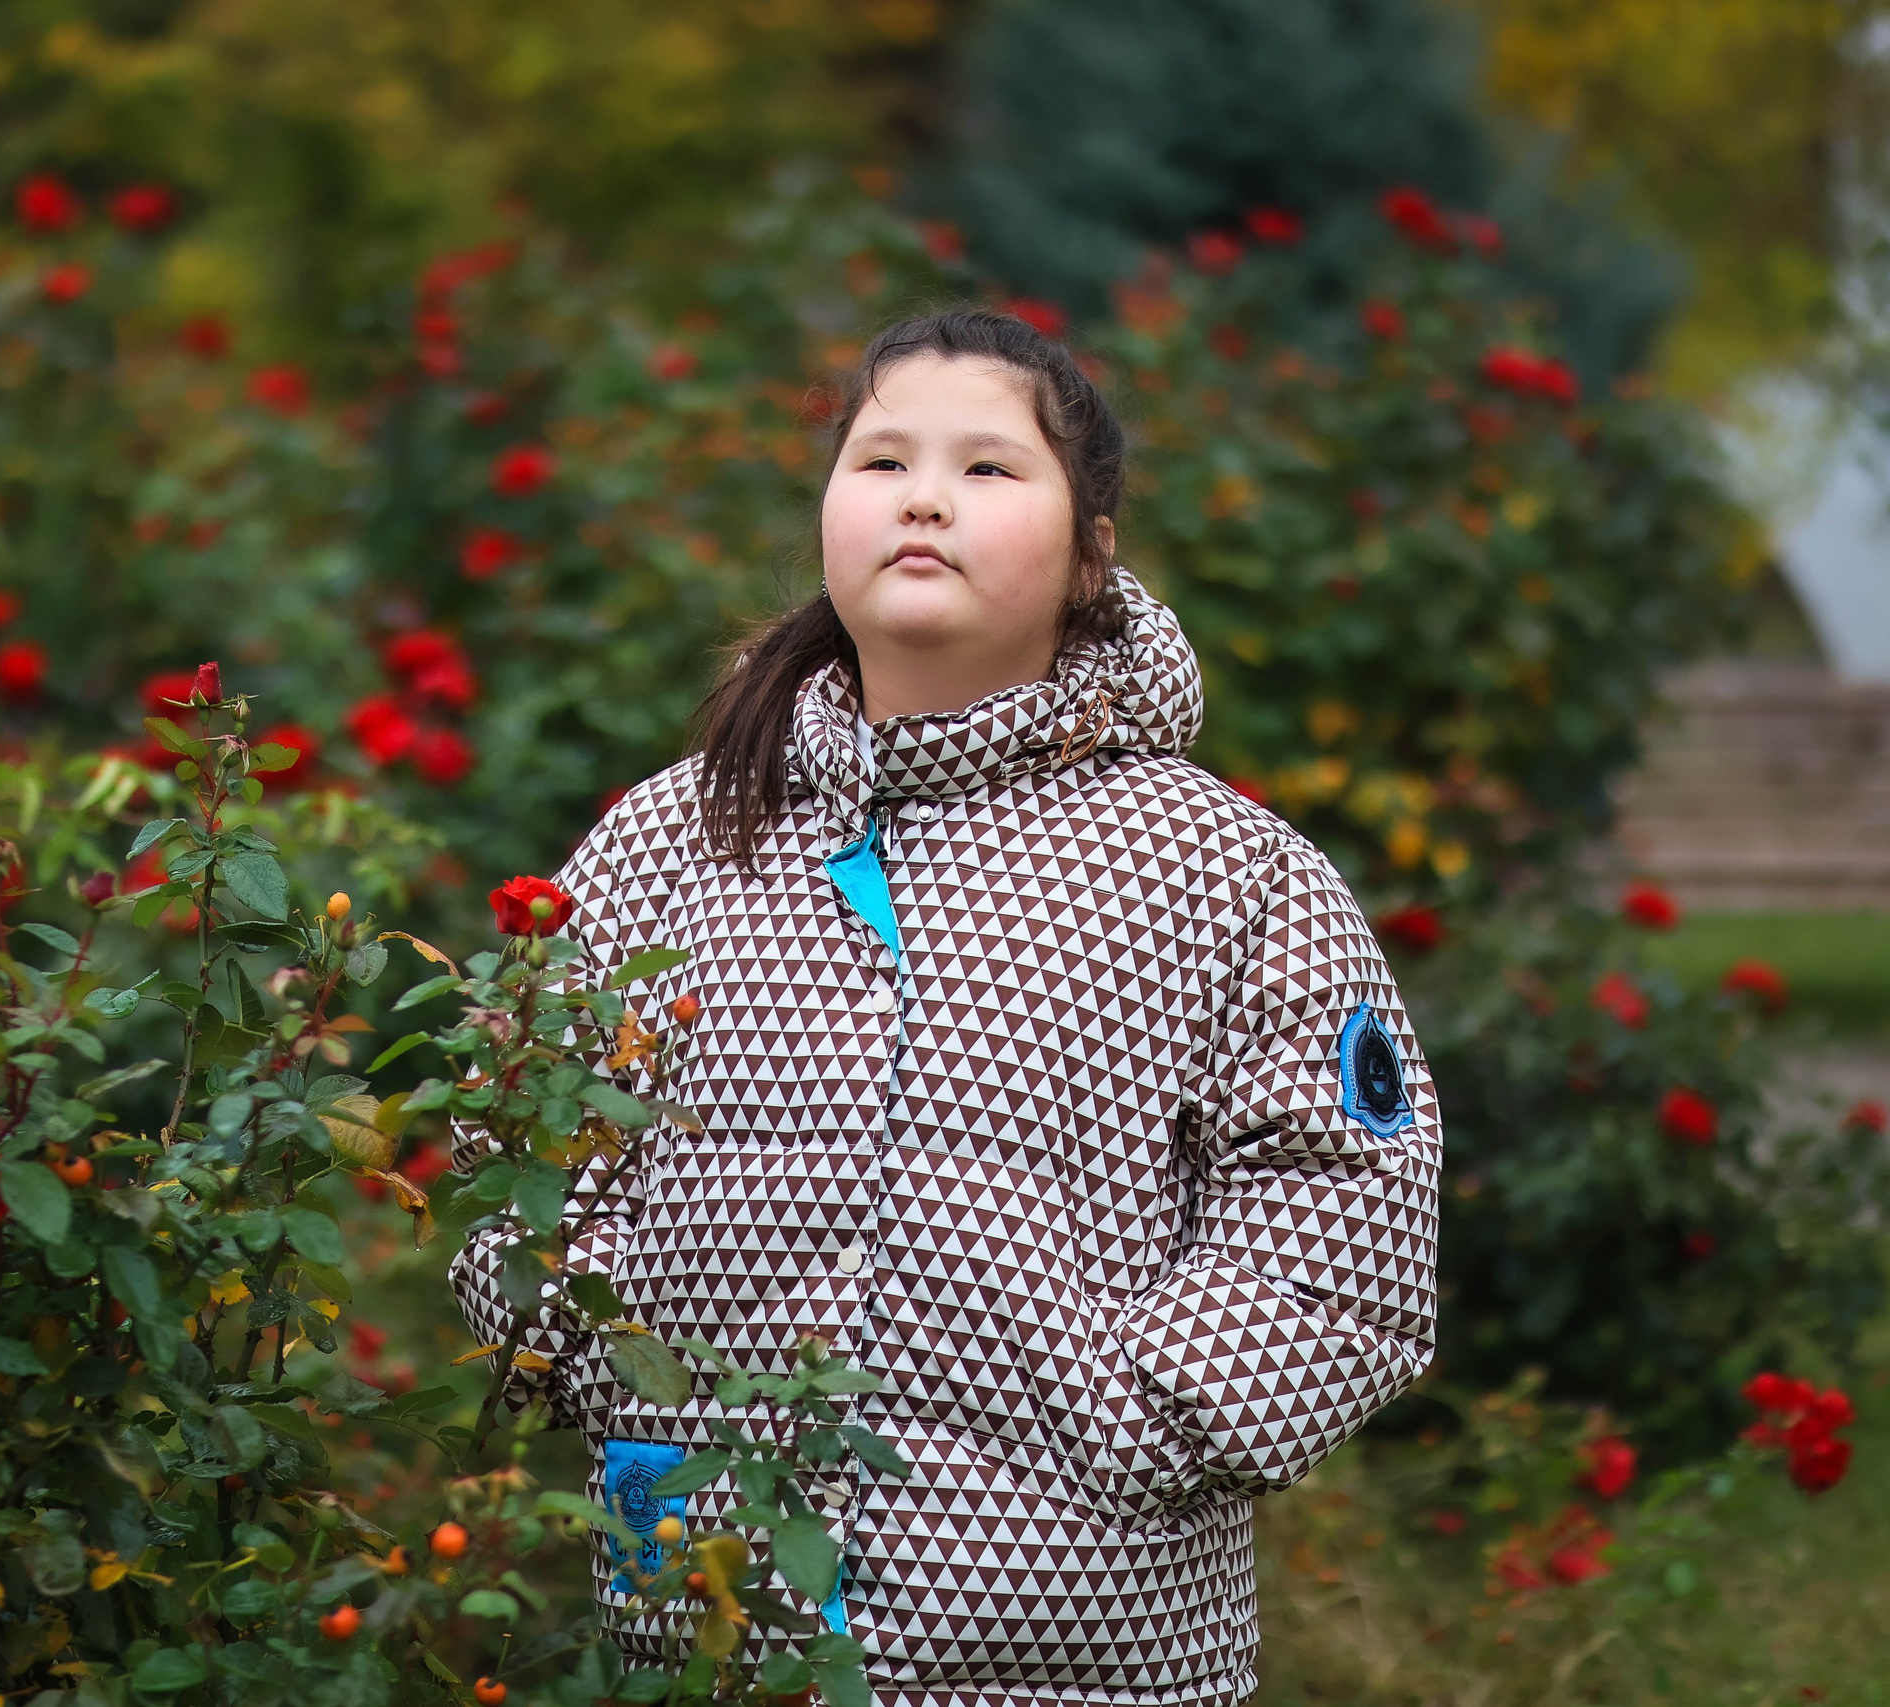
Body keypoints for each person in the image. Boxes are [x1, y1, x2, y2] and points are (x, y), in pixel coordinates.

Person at [453, 308, 1441, 1703]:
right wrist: (596, 1363)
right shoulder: (671, 841)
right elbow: (528, 1142)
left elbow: (1345, 1234)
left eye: (989, 469)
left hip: (1071, 1622)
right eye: (881, 461)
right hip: (705, 1609)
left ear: (1092, 550)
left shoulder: (1224, 873)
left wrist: (1133, 1424)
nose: (924, 496)